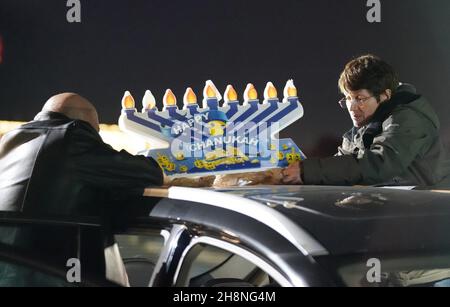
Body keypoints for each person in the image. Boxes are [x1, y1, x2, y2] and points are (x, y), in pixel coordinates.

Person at [0, 93, 164, 286]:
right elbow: (149, 172)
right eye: (96, 132)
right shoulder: (74, 135)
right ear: (85, 123)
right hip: (48, 276)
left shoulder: (9, 141)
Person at [282, 54, 450, 188]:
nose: (352, 107)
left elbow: (380, 163)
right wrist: (291, 171)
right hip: (394, 210)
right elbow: (342, 166)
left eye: (360, 98)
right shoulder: (365, 126)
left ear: (385, 96)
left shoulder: (409, 118)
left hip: (430, 211)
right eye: (348, 98)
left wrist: (307, 172)